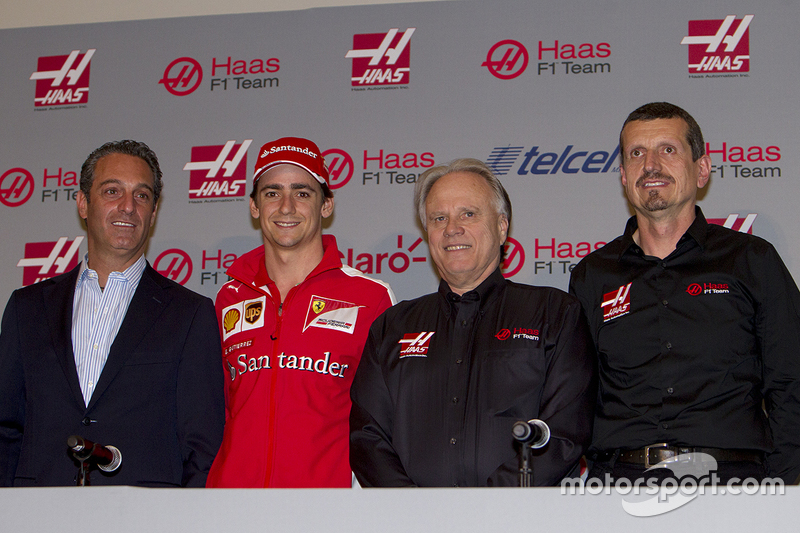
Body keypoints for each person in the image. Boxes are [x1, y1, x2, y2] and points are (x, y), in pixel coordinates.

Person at [569, 102, 800, 484]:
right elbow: (576, 397)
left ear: (702, 170)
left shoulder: (751, 260)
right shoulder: (593, 275)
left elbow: (791, 383)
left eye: (668, 149)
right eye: (637, 153)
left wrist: (787, 490)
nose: (651, 165)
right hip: (621, 483)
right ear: (624, 176)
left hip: (734, 483)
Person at [349, 158, 596, 487]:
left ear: (502, 226)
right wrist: (413, 515)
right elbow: (368, 439)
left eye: (468, 213)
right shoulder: (392, 327)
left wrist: (485, 511)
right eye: (439, 218)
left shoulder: (554, 313)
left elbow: (564, 433)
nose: (452, 228)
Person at [0, 140, 225, 487]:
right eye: (112, 191)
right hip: (36, 514)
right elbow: (5, 429)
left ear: (153, 211)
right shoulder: (26, 308)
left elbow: (203, 447)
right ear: (83, 203)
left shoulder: (191, 315)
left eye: (142, 195)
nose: (128, 207)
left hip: (146, 518)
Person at [205, 137, 396, 488]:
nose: (287, 207)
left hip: (324, 512)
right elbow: (214, 412)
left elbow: (389, 424)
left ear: (327, 205)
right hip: (230, 509)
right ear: (254, 206)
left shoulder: (371, 297)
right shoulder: (227, 297)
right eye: (272, 192)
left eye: (303, 193)